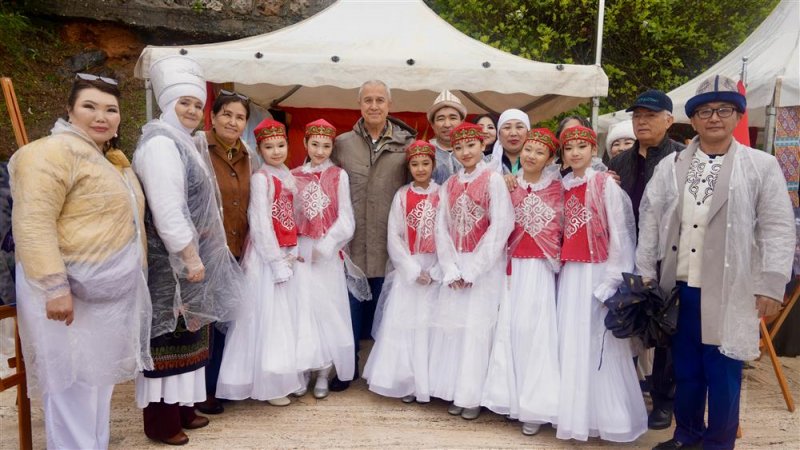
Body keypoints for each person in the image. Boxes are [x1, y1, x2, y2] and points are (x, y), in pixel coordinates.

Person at [638, 75, 795, 450]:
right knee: (687, 372)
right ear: (692, 121)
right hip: (679, 288)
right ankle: (687, 435)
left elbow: (778, 227)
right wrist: (645, 273)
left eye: (723, 110)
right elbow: (650, 219)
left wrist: (771, 285)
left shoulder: (760, 166)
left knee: (723, 374)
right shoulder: (672, 165)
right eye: (704, 111)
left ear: (737, 116)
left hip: (731, 291)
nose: (714, 118)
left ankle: (718, 444)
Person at [10, 74, 152, 450]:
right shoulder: (49, 152)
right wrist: (54, 288)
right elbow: (33, 222)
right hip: (66, 295)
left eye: (111, 109)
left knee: (96, 384)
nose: (100, 116)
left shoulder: (105, 159)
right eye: (89, 106)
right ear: (70, 110)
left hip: (104, 298)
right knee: (70, 386)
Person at [132, 55, 244, 446]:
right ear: (167, 104)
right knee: (167, 340)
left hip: (189, 264)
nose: (193, 110)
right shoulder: (161, 144)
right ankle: (161, 424)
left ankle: (183, 408)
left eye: (197, 104)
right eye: (185, 103)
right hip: (172, 266)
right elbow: (168, 208)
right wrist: (189, 255)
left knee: (190, 337)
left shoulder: (184, 140)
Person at [555, 125, 647, 443]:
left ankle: (609, 417)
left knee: (600, 343)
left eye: (583, 146)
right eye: (569, 148)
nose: (576, 152)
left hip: (597, 272)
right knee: (571, 341)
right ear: (563, 154)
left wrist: (612, 280)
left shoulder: (605, 184)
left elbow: (622, 234)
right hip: (569, 274)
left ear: (594, 150)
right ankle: (572, 415)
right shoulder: (562, 185)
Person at [329, 80, 416, 391]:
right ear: (360, 104)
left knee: (388, 310)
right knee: (348, 307)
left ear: (389, 105)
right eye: (368, 100)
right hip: (351, 243)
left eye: (380, 100)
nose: (374, 105)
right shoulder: (341, 144)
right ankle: (346, 366)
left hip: (389, 242)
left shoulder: (406, 146)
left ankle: (382, 369)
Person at [607, 89, 685, 430]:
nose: (641, 121)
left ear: (668, 120)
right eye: (637, 115)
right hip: (625, 254)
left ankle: (664, 400)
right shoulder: (619, 161)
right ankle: (625, 393)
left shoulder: (681, 158)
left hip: (666, 256)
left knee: (665, 330)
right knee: (628, 325)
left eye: (650, 115)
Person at [429, 122, 514, 421]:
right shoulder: (449, 184)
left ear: (482, 146)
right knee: (455, 329)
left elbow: (502, 225)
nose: (465, 152)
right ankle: (455, 390)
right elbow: (441, 228)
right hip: (456, 265)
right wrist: (450, 267)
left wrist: (474, 268)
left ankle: (475, 394)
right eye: (459, 147)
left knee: (478, 329)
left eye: (471, 145)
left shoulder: (494, 180)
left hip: (484, 268)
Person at [216, 118, 304, 406]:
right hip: (267, 258)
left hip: (287, 253)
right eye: (269, 147)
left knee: (284, 318)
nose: (276, 151)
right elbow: (260, 223)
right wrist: (276, 261)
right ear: (260, 149)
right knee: (267, 319)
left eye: (281, 145)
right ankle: (267, 383)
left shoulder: (287, 175)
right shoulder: (261, 178)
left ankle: (281, 376)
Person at [481, 128, 563, 436]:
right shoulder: (506, 185)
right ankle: (510, 398)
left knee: (536, 333)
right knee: (510, 330)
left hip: (540, 271)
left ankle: (535, 406)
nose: (530, 156)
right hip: (511, 268)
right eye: (527, 149)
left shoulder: (558, 189)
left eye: (539, 152)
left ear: (550, 158)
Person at [363, 140, 440, 404]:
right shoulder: (401, 195)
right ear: (409, 167)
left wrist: (438, 268)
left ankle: (429, 381)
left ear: (434, 165)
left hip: (435, 269)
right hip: (409, 270)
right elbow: (394, 237)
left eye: (425, 163)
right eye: (415, 164)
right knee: (405, 324)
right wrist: (411, 268)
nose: (420, 169)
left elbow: (449, 234)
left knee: (431, 325)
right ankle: (405, 381)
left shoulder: (443, 194)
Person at [196, 89, 254, 416]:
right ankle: (201, 389)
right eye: (227, 114)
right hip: (206, 251)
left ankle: (219, 383)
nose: (233, 121)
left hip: (236, 250)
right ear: (213, 116)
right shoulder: (198, 148)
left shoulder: (248, 156)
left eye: (240, 116)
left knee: (227, 320)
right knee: (204, 322)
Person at [291, 119, 357, 399]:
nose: (320, 151)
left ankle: (323, 371)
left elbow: (346, 218)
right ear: (305, 143)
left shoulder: (338, 175)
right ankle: (303, 367)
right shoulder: (293, 175)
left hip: (327, 254)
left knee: (328, 309)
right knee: (302, 308)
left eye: (326, 146)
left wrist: (328, 245)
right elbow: (286, 215)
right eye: (315, 144)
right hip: (301, 249)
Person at [429, 89, 467, 184]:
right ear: (432, 125)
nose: (447, 124)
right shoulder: (425, 153)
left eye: (453, 118)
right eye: (441, 119)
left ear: (462, 123)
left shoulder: (475, 153)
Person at [489, 109, 531, 174]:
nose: (513, 133)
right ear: (499, 134)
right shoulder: (487, 162)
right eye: (507, 127)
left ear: (528, 133)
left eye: (519, 127)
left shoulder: (538, 161)